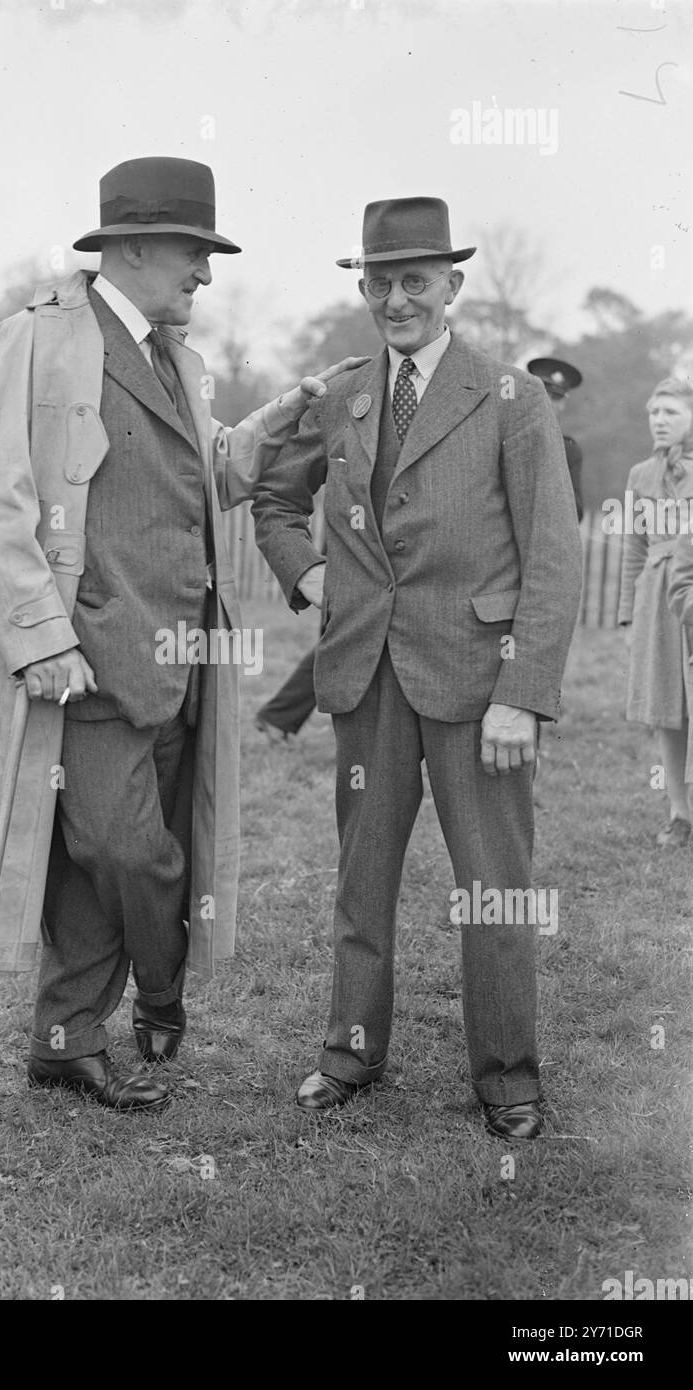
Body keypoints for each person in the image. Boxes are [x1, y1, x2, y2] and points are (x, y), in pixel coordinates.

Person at [0, 156, 365, 1113]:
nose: (207, 277)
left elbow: (205, 478)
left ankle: (67, 1042)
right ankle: (164, 987)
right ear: (133, 247)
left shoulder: (178, 359)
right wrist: (40, 639)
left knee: (98, 860)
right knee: (129, 849)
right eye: (194, 255)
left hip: (185, 664)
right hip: (87, 663)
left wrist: (289, 409)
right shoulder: (37, 343)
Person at [251, 196, 582, 1140]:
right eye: (380, 282)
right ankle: (351, 1054)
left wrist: (521, 696)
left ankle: (508, 1077)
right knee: (363, 882)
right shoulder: (343, 392)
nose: (397, 300)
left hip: (481, 686)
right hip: (364, 680)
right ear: (362, 286)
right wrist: (308, 573)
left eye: (415, 283)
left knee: (494, 885)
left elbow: (551, 557)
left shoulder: (512, 398)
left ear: (452, 288)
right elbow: (275, 496)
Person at [620, 377, 693, 848]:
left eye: (671, 412)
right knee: (668, 710)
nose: (660, 421)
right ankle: (679, 813)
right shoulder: (639, 476)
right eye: (655, 413)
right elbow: (632, 548)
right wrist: (629, 616)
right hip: (656, 600)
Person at [526, 357, 585, 521]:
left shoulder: (568, 450)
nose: (549, 403)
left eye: (556, 397)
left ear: (562, 404)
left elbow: (576, 512)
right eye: (543, 394)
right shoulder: (503, 436)